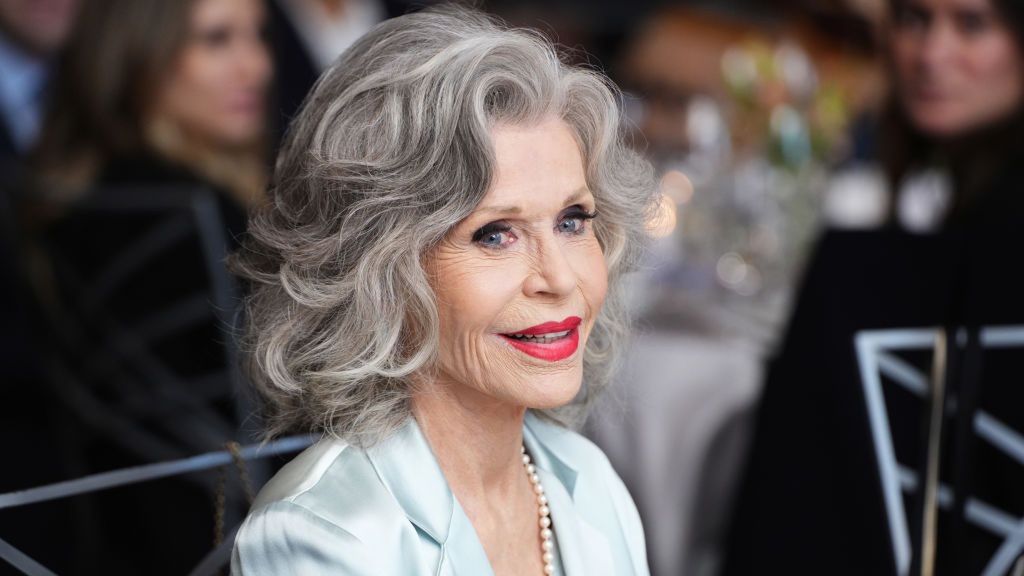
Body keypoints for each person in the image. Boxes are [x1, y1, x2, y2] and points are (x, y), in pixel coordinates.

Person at [229, 6, 658, 575]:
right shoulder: (324, 536)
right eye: (495, 234)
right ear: (380, 274)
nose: (559, 278)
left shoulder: (589, 483)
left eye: (573, 221)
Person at [724, 0, 1024, 574]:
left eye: (973, 24)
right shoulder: (952, 210)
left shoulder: (987, 252)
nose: (932, 55)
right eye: (915, 20)